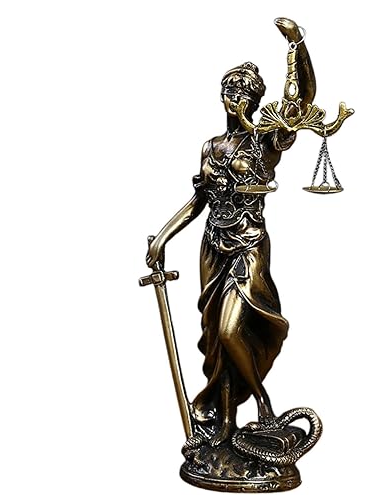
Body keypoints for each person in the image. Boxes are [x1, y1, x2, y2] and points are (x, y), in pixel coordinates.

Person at [146, 18, 316, 447]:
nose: (235, 98)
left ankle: (263, 404)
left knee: (230, 330)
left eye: (244, 93)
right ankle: (224, 424)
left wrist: (297, 47)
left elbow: (302, 100)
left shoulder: (264, 143)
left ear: (255, 101)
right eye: (230, 90)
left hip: (248, 246)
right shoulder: (210, 146)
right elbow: (198, 201)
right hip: (212, 247)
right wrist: (163, 236)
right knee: (216, 343)